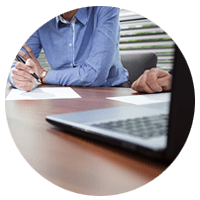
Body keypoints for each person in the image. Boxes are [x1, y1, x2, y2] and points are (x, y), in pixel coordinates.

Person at [8, 6, 172, 94]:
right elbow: (17, 61)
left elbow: (95, 75)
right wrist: (20, 77)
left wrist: (44, 75)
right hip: (64, 93)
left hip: (111, 92)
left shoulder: (105, 8)